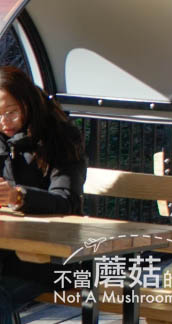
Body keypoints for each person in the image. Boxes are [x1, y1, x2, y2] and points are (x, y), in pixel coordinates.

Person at [0, 67, 86, 324]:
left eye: (11, 112)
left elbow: (67, 200)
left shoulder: (61, 137)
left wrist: (18, 196)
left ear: (28, 102)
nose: (4, 122)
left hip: (49, 262)